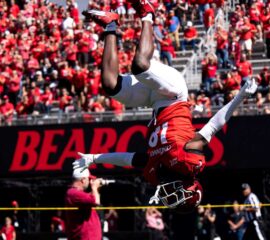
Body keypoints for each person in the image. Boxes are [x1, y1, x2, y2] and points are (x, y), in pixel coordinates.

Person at [74, 5, 257, 212]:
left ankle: (110, 25)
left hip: (153, 101)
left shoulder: (156, 172)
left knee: (110, 85)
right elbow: (214, 125)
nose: (169, 195)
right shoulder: (189, 160)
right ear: (189, 186)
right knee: (140, 65)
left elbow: (128, 158)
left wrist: (94, 158)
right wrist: (240, 97)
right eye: (177, 195)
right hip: (174, 94)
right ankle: (148, 14)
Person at [65, 168, 103, 240]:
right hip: (85, 237)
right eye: (88, 179)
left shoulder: (77, 194)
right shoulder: (73, 193)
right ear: (83, 180)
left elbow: (91, 198)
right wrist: (94, 187)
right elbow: (96, 201)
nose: (89, 182)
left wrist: (96, 189)